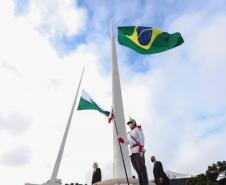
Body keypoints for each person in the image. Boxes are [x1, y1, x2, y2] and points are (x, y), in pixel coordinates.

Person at [119, 117, 149, 185]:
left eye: (130, 123)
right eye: (128, 124)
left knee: (142, 169)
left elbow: (142, 138)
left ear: (134, 123)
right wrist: (122, 141)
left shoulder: (138, 129)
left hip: (138, 150)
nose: (129, 125)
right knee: (138, 170)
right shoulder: (129, 133)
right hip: (132, 152)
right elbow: (127, 142)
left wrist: (141, 148)